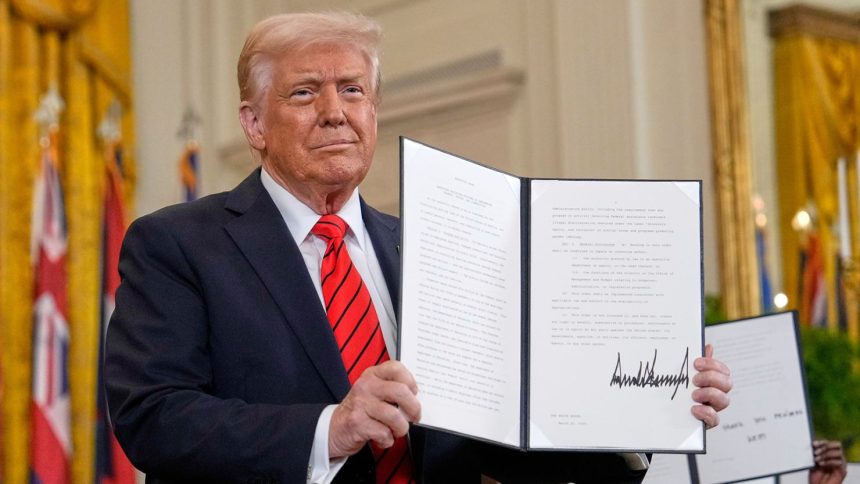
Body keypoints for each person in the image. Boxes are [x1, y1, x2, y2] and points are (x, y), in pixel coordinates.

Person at [104, 11, 733, 484]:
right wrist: (332, 428)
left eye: (353, 90)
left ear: (374, 112)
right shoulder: (177, 245)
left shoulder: (435, 248)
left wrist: (644, 411)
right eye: (303, 92)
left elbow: (496, 431)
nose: (334, 112)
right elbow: (154, 419)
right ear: (253, 125)